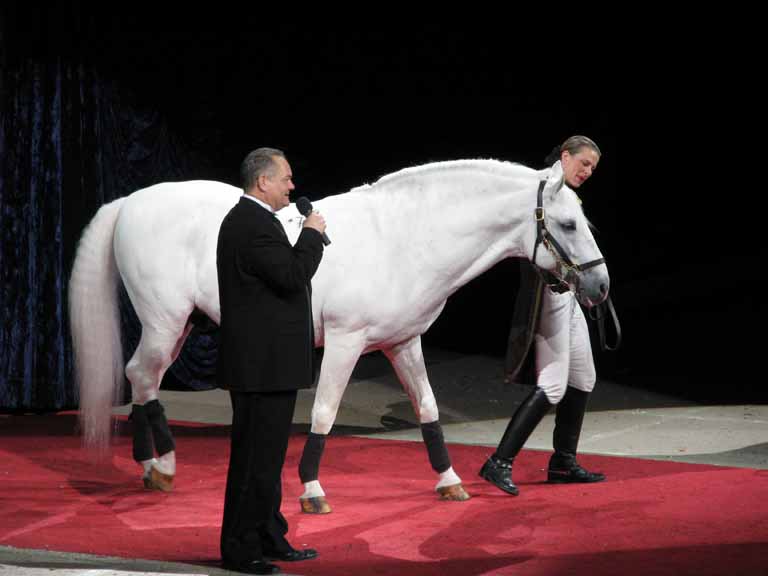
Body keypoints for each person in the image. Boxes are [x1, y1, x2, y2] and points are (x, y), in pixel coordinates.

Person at [217, 148, 326, 574]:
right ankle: (240, 550)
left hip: (269, 366)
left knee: (267, 460)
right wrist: (313, 233)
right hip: (260, 368)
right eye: (286, 179)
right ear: (263, 182)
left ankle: (268, 535)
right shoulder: (251, 225)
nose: (292, 187)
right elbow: (292, 275)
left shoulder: (255, 222)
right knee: (254, 462)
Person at [479, 135, 605, 496]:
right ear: (565, 156)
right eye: (584, 163)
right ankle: (499, 462)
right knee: (553, 384)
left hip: (568, 296)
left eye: (592, 168)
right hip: (548, 295)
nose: (588, 172)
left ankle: (563, 462)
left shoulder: (565, 194)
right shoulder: (541, 190)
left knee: (583, 378)